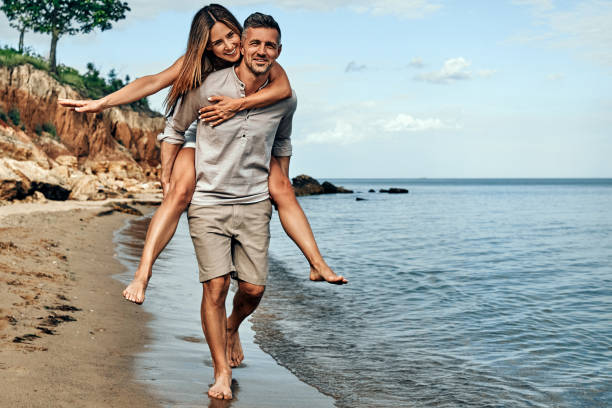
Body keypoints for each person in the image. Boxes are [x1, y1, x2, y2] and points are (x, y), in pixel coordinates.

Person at [58, 4, 347, 306]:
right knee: (178, 192)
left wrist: (236, 105)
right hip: (204, 131)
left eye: (231, 36)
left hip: (244, 137)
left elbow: (284, 90)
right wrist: (103, 103)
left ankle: (316, 264)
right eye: (217, 42)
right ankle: (143, 273)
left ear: (240, 31)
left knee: (283, 188)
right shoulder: (198, 62)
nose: (228, 46)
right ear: (206, 46)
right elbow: (154, 83)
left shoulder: (260, 54)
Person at [163, 12, 301, 399]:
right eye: (251, 42)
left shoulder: (277, 85)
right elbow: (171, 119)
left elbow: (283, 130)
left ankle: (231, 325)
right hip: (206, 184)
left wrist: (282, 183)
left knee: (253, 290)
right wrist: (167, 172)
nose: (252, 49)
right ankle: (220, 371)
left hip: (252, 198)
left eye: (266, 44)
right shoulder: (204, 80)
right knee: (216, 285)